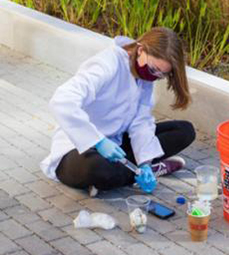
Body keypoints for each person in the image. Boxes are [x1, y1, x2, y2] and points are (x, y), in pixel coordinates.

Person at [40, 27, 196, 196]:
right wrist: (98, 141)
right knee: (99, 169)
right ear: (141, 50)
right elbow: (62, 100)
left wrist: (145, 161)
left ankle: (142, 170)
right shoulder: (106, 64)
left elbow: (141, 121)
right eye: (153, 69)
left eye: (161, 75)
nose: (154, 76)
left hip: (115, 144)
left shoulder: (143, 74)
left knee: (184, 131)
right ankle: (128, 175)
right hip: (79, 148)